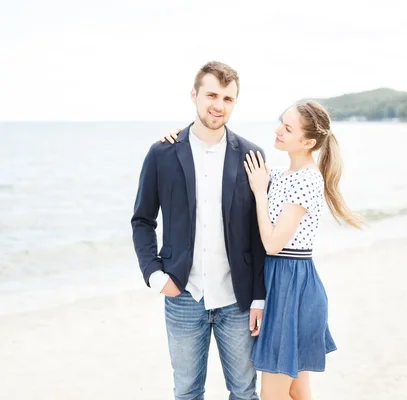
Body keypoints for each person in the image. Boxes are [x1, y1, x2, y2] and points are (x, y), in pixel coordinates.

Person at [161, 100, 364, 399]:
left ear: (308, 142)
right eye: (282, 122)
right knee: (296, 388)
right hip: (282, 281)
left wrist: (259, 191)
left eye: (288, 128)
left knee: (273, 394)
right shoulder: (282, 175)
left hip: (291, 285)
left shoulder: (306, 181)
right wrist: (181, 139)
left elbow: (272, 243)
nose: (278, 130)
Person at [131, 60, 266, 400]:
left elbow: (259, 232)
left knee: (245, 392)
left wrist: (260, 297)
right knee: (187, 392)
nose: (218, 105)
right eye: (211, 95)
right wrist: (154, 275)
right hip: (183, 296)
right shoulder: (162, 152)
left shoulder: (252, 155)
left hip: (237, 300)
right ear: (194, 95)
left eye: (228, 99)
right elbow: (143, 220)